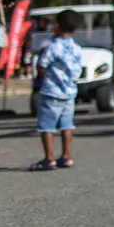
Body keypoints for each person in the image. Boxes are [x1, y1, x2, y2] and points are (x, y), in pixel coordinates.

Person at [29, 9, 83, 171]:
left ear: (57, 26)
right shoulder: (76, 48)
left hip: (51, 93)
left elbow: (42, 65)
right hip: (69, 94)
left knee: (46, 126)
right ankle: (66, 157)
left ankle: (49, 158)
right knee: (66, 125)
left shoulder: (53, 47)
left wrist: (40, 78)